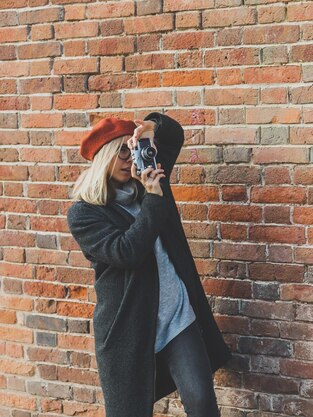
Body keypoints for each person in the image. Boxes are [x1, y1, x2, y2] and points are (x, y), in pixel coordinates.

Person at [66, 113, 231, 417]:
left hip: (177, 316)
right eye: (123, 152)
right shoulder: (85, 214)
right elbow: (127, 252)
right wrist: (153, 200)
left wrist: (152, 127)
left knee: (202, 402)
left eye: (133, 148)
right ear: (105, 158)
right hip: (129, 328)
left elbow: (174, 135)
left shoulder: (150, 180)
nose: (131, 159)